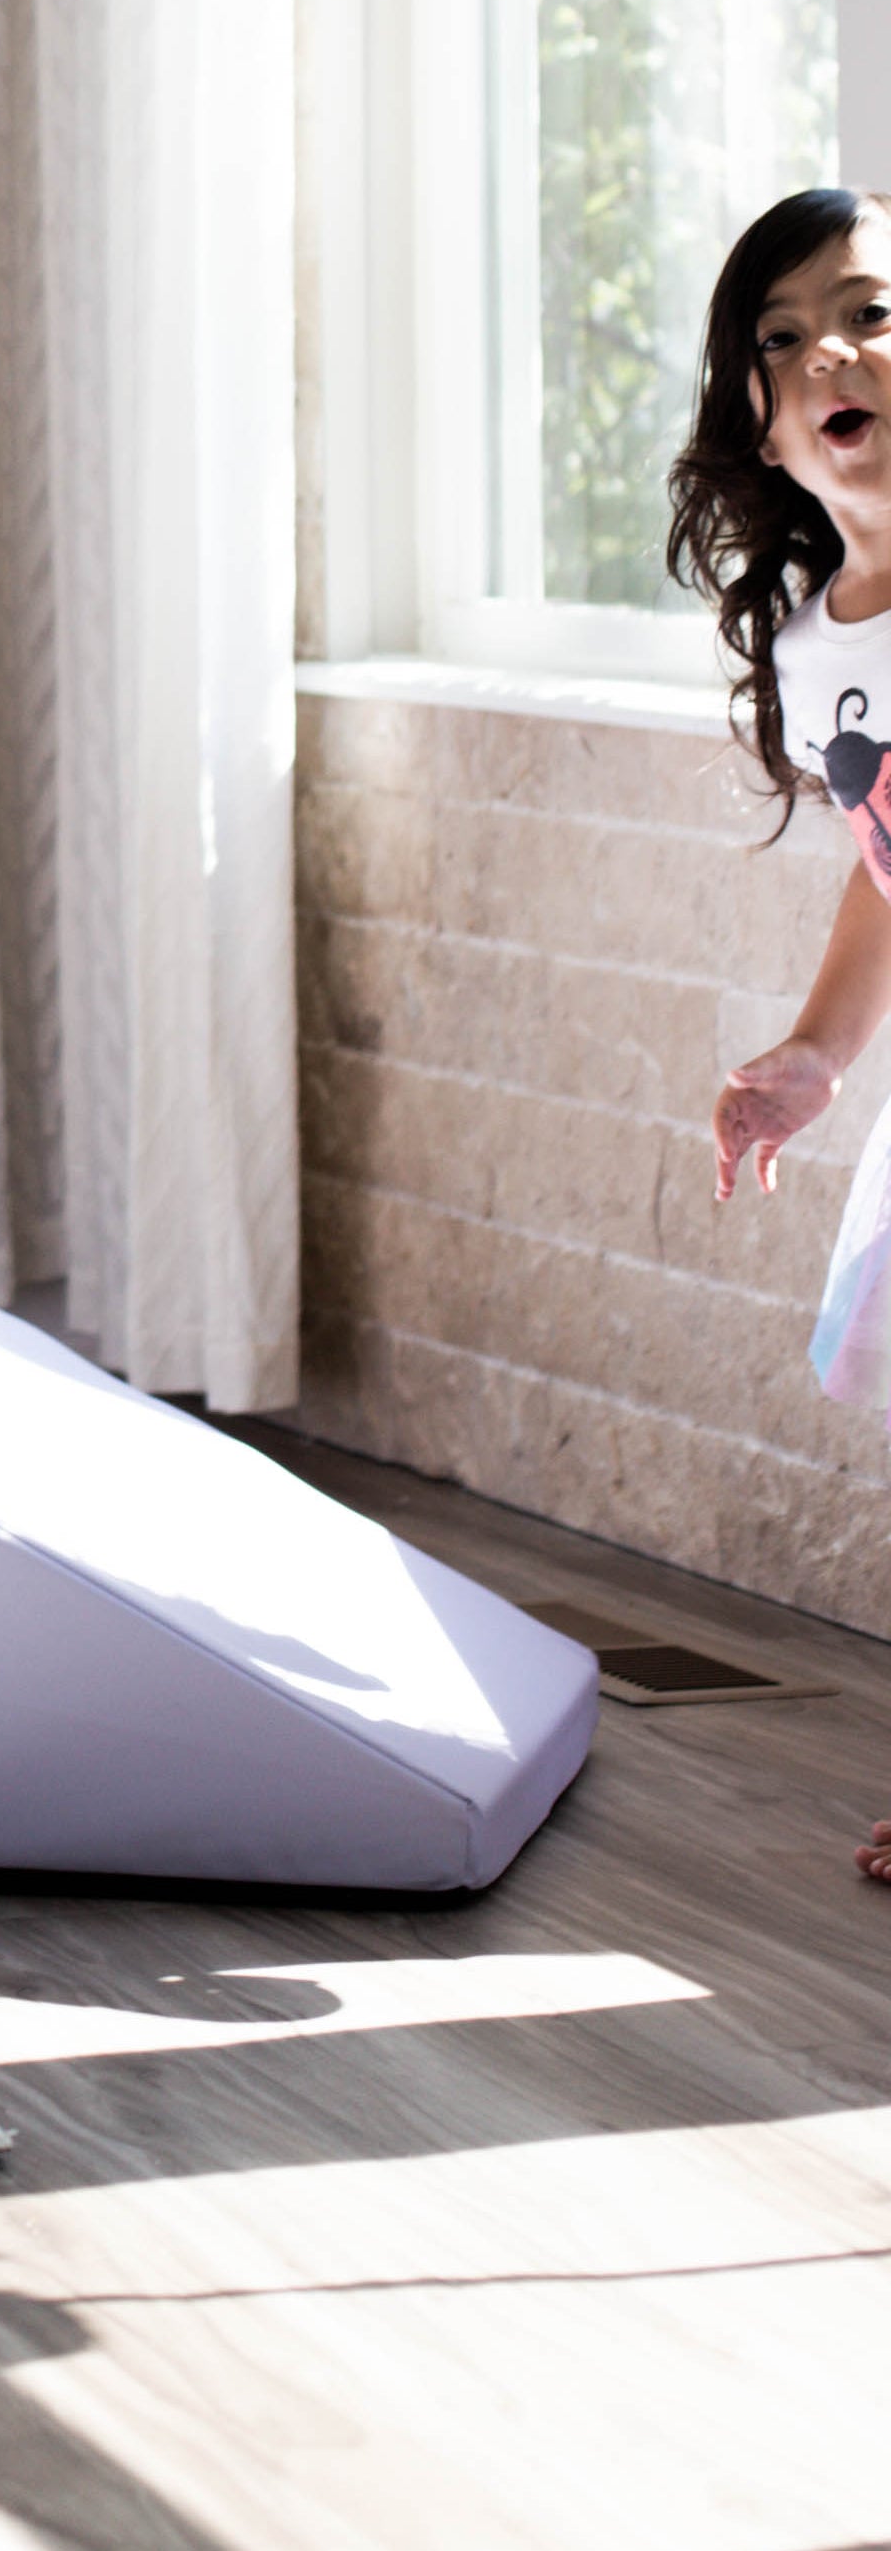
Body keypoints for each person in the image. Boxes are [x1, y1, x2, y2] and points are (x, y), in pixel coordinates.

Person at [674, 181, 891, 1885]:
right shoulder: (822, 636)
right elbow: (886, 867)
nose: (828, 344)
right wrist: (820, 1050)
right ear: (757, 410)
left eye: (869, 308)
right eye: (780, 331)